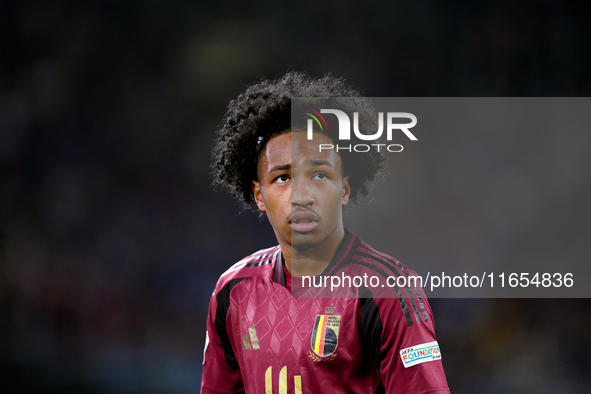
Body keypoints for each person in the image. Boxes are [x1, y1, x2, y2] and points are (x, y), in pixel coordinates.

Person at [202, 71, 450, 393]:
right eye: (282, 178)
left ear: (344, 189)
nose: (302, 195)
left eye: (319, 174)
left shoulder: (386, 289)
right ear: (259, 195)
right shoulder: (232, 291)